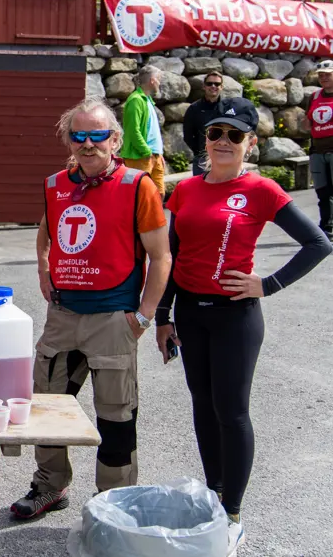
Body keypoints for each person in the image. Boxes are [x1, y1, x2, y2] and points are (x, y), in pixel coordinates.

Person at [155, 97, 332, 554]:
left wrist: (268, 284)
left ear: (251, 143)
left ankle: (232, 511)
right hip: (191, 313)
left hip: (237, 316)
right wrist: (162, 315)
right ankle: (214, 494)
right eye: (216, 133)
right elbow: (173, 255)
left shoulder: (261, 190)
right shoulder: (187, 190)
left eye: (235, 135)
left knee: (231, 412)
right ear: (205, 140)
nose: (223, 141)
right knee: (200, 404)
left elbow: (317, 243)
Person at [9, 97, 171, 520]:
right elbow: (45, 235)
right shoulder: (55, 185)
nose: (88, 143)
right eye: (78, 135)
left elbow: (161, 256)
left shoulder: (139, 186)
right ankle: (50, 486)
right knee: (47, 407)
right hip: (63, 316)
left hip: (113, 318)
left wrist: (144, 315)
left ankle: (113, 504)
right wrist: (44, 272)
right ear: (68, 140)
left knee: (116, 416)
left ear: (115, 139)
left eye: (98, 135)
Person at [121, 65, 166, 196]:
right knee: (139, 195)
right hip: (140, 157)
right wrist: (146, 152)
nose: (159, 82)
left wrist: (158, 153)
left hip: (154, 156)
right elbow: (132, 130)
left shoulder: (147, 100)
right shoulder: (136, 100)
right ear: (152, 80)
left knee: (159, 194)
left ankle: (155, 217)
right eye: (159, 79)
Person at [303, 59, 333, 240]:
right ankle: (325, 227)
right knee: (322, 192)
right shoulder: (314, 97)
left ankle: (329, 228)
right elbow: (307, 123)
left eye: (328, 75)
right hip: (317, 150)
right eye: (321, 76)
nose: (323, 78)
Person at [183, 71, 227, 176]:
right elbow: (188, 135)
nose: (213, 86)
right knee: (201, 191)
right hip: (202, 159)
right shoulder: (194, 108)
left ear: (222, 87)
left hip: (225, 157)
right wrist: (200, 152)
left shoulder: (228, 108)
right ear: (204, 86)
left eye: (217, 84)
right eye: (209, 83)